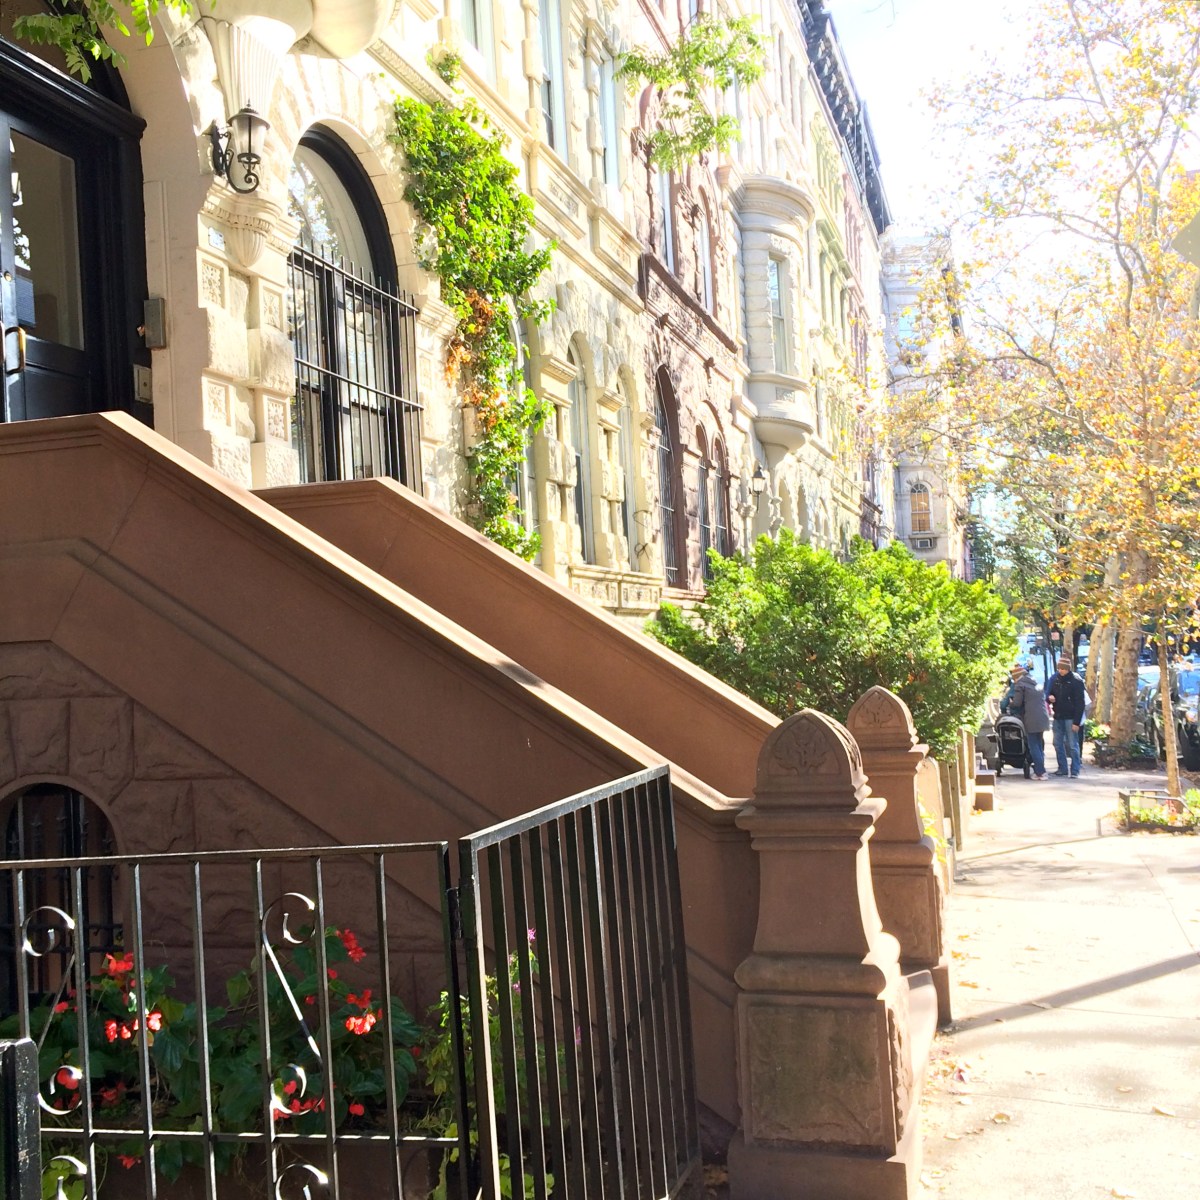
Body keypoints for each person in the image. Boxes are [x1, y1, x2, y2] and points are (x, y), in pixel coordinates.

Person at [1004, 664, 1051, 779]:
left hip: (1031, 718)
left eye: (1014, 679)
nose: (1014, 681)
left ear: (1017, 677)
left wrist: (1011, 702)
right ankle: (1042, 769)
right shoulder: (1034, 682)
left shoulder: (1020, 685)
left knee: (1033, 746)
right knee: (1039, 744)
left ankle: (1040, 772)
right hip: (1042, 717)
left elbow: (1017, 703)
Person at [1046, 655, 1086, 777]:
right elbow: (1049, 694)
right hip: (1058, 716)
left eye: (1063, 669)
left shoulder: (1076, 681)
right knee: (1057, 743)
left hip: (1071, 717)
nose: (1060, 671)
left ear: (1068, 669)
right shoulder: (1055, 679)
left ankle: (1075, 770)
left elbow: (1080, 703)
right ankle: (1062, 768)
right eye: (1059, 668)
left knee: (1073, 744)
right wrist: (1050, 698)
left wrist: (1076, 722)